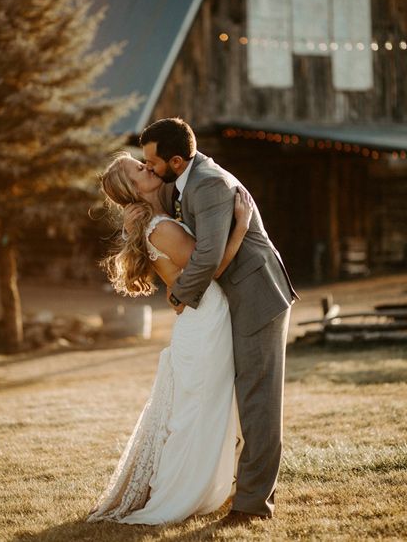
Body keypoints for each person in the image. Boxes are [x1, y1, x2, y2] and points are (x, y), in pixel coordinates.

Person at [123, 117, 300, 522]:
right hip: (225, 303)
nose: (148, 168)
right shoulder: (179, 183)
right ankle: (222, 485)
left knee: (258, 402)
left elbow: (207, 257)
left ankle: (254, 505)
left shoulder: (210, 183)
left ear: (177, 161)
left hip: (257, 297)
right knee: (232, 400)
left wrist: (178, 296)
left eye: (152, 163)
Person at [86, 150, 253, 525]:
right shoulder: (160, 227)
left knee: (205, 407)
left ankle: (210, 483)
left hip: (203, 317)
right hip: (206, 319)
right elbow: (208, 269)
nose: (148, 167)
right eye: (139, 169)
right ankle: (180, 492)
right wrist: (241, 228)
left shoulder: (160, 220)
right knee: (199, 410)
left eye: (144, 163)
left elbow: (183, 281)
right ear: (132, 188)